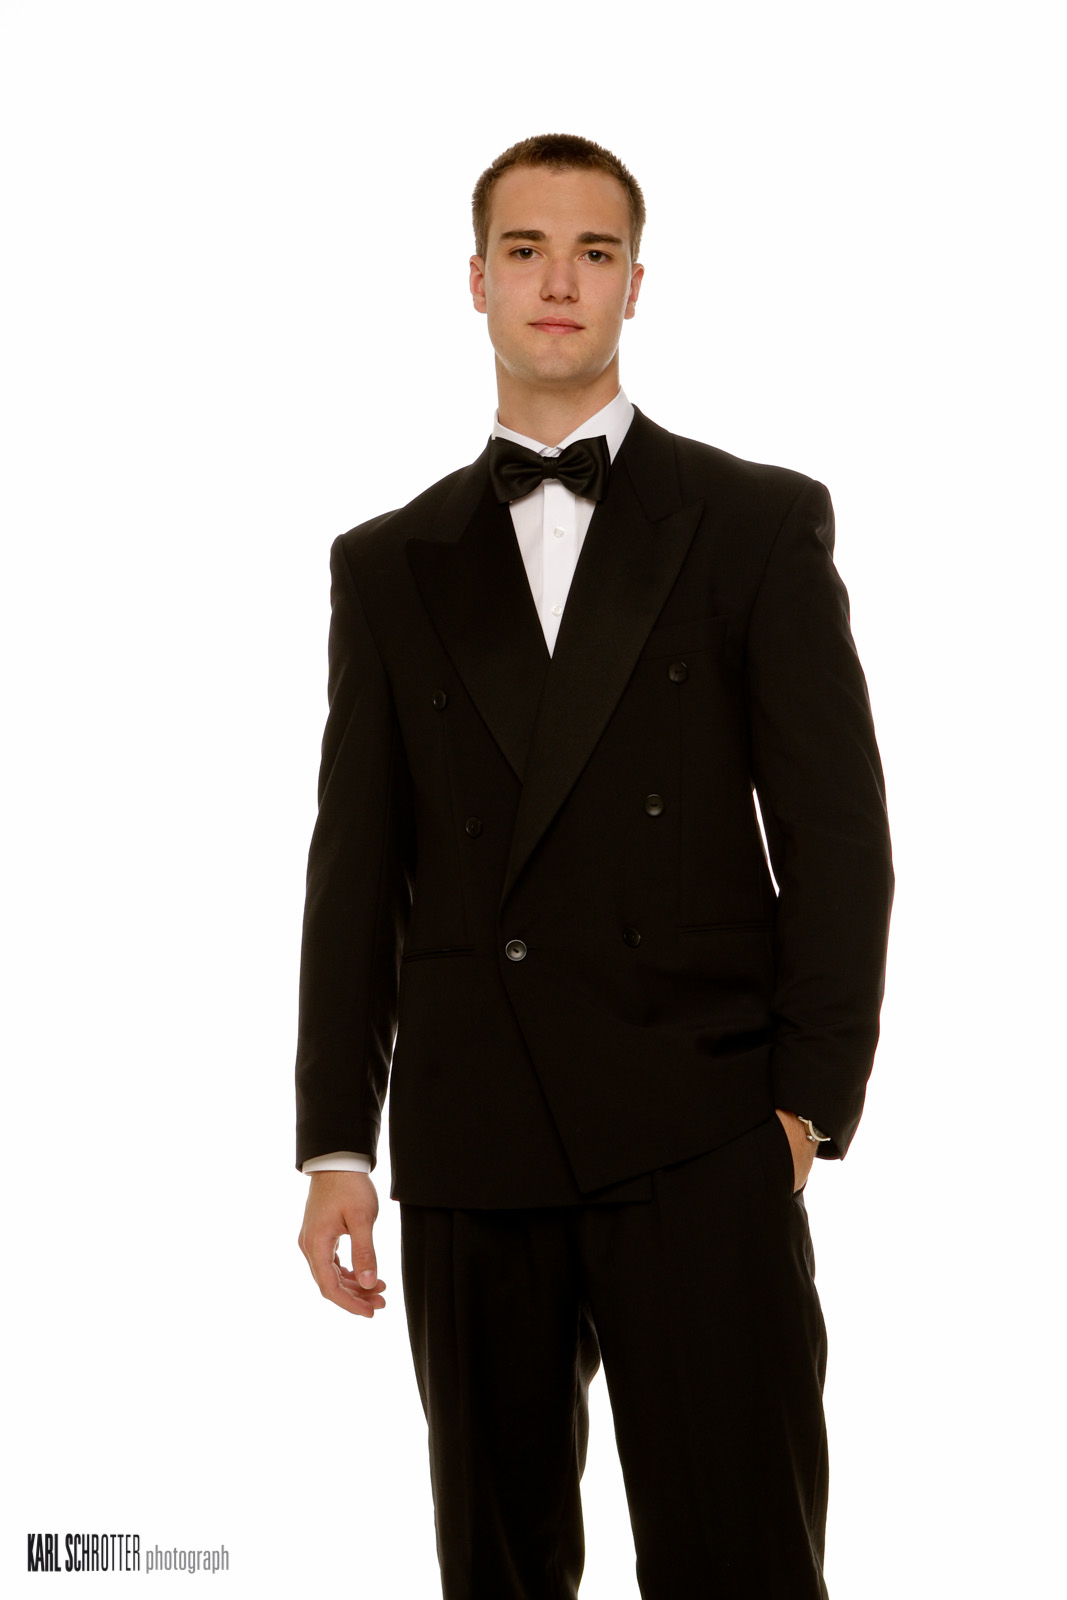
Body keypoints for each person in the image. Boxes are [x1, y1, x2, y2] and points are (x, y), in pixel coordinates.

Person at [294, 132, 893, 1599]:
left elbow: (838, 835)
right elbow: (355, 871)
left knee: (743, 1560)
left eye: (593, 252)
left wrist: (803, 1113)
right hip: (474, 1138)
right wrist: (336, 1147)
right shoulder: (387, 562)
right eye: (526, 250)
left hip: (702, 1125)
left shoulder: (756, 522)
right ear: (476, 280)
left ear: (636, 283)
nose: (558, 280)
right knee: (497, 1572)